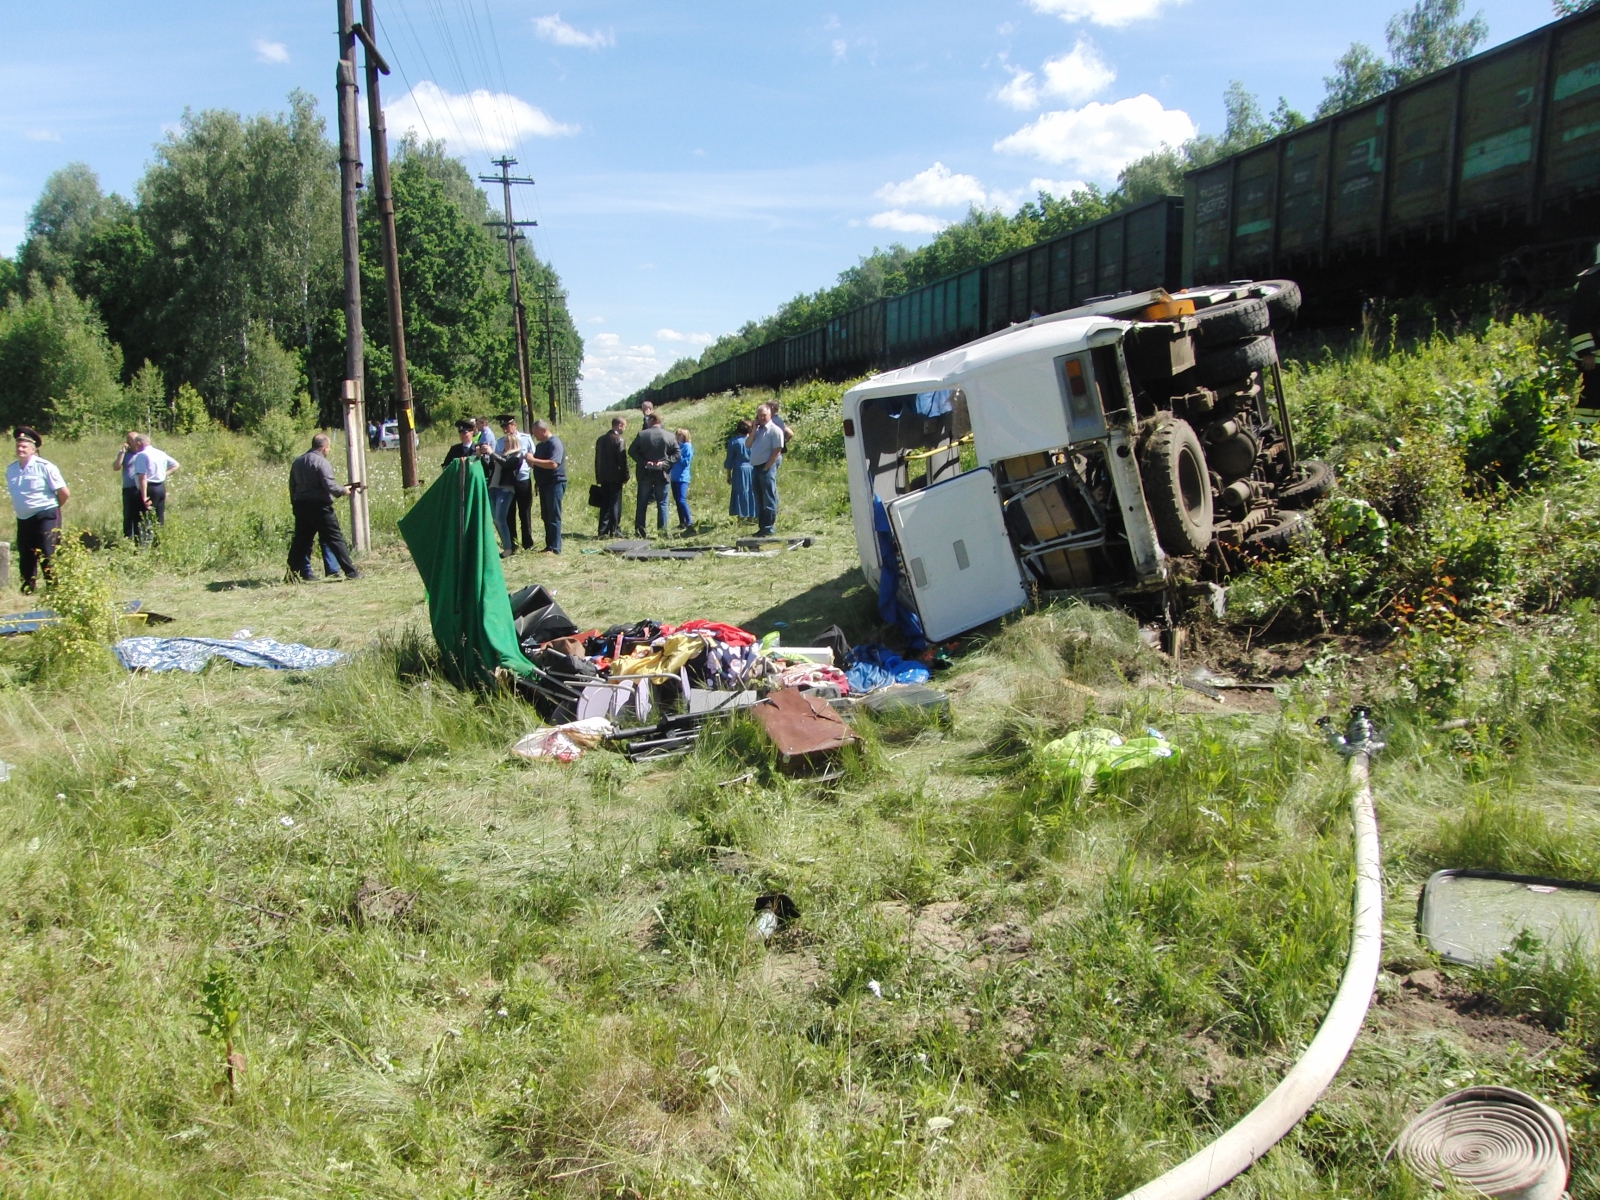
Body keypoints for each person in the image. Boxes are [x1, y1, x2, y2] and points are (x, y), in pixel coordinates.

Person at [287, 433, 361, 581]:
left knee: (300, 542)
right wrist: (343, 490)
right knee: (335, 539)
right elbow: (329, 485)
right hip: (320, 508)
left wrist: (295, 504)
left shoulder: (298, 462)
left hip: (301, 506)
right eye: (329, 448)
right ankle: (351, 572)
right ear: (324, 447)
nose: (329, 451)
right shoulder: (322, 463)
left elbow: (292, 485)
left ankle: (291, 575)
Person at [7, 427, 68, 594]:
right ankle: (28, 586)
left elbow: (64, 493)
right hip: (24, 517)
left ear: (33, 449)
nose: (20, 449)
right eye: (18, 446)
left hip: (45, 514)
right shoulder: (11, 469)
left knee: (48, 551)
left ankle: (54, 588)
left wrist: (52, 509)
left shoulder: (45, 467)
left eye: (24, 446)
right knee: (26, 553)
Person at [629, 412, 679, 536]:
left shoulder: (642, 435)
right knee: (662, 503)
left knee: (642, 502)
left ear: (651, 420)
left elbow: (631, 451)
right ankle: (662, 532)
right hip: (662, 474)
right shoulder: (670, 436)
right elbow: (677, 454)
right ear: (660, 421)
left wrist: (645, 462)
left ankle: (640, 531)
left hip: (645, 473)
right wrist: (665, 463)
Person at [494, 414, 536, 554]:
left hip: (523, 479)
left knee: (525, 512)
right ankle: (512, 544)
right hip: (508, 482)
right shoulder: (500, 442)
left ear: (514, 425)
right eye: (503, 427)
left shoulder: (525, 438)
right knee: (509, 513)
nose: (506, 429)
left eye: (508, 426)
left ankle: (528, 543)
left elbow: (532, 457)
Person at [131, 433, 179, 544]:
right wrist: (163, 474)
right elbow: (176, 464)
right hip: (161, 487)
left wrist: (143, 497)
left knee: (140, 518)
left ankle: (139, 546)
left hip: (149, 488)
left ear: (139, 443)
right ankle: (158, 544)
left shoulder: (142, 455)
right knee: (159, 517)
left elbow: (142, 477)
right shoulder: (160, 453)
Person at [528, 418, 567, 554]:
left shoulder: (555, 443)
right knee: (545, 515)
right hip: (544, 484)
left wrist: (533, 460)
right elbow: (538, 463)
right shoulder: (540, 446)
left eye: (536, 432)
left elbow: (553, 463)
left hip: (555, 483)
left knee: (553, 515)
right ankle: (549, 546)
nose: (535, 435)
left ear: (544, 430)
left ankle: (555, 548)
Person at [746, 403, 784, 536]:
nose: (761, 418)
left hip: (767, 467)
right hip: (755, 467)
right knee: (759, 498)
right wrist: (754, 429)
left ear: (770, 415)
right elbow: (748, 444)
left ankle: (768, 527)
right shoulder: (758, 430)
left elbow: (777, 450)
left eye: (764, 415)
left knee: (769, 498)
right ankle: (762, 527)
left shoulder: (775, 430)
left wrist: (768, 466)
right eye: (759, 415)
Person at [1572, 259, 1599, 423]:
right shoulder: (1591, 281)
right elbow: (1578, 319)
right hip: (1593, 361)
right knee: (1589, 404)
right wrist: (1586, 352)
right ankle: (1586, 443)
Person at [594, 416, 630, 537]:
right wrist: (626, 476)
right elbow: (622, 460)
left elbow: (597, 460)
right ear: (619, 425)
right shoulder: (619, 440)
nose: (625, 428)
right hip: (615, 477)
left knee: (604, 503)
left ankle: (602, 530)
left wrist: (598, 475)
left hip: (603, 476)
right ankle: (614, 530)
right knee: (615, 503)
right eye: (624, 426)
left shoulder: (600, 439)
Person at [114, 431, 144, 540]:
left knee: (140, 515)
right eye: (131, 440)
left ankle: (139, 538)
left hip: (141, 488)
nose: (134, 442)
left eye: (136, 440)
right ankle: (127, 538)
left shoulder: (143, 452)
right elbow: (116, 467)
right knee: (128, 515)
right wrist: (122, 453)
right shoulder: (125, 453)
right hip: (128, 488)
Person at [725, 419, 756, 521]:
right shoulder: (754, 441)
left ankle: (740, 517)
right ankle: (751, 517)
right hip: (753, 469)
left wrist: (729, 475)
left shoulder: (734, 442)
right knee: (752, 492)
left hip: (739, 470)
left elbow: (729, 460)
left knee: (740, 492)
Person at [670, 427, 695, 533]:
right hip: (673, 476)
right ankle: (682, 522)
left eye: (680, 434)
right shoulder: (676, 446)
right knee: (677, 500)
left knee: (682, 499)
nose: (677, 436)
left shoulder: (687, 446)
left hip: (682, 477)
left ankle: (689, 521)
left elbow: (686, 462)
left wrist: (678, 456)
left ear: (685, 436)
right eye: (677, 434)